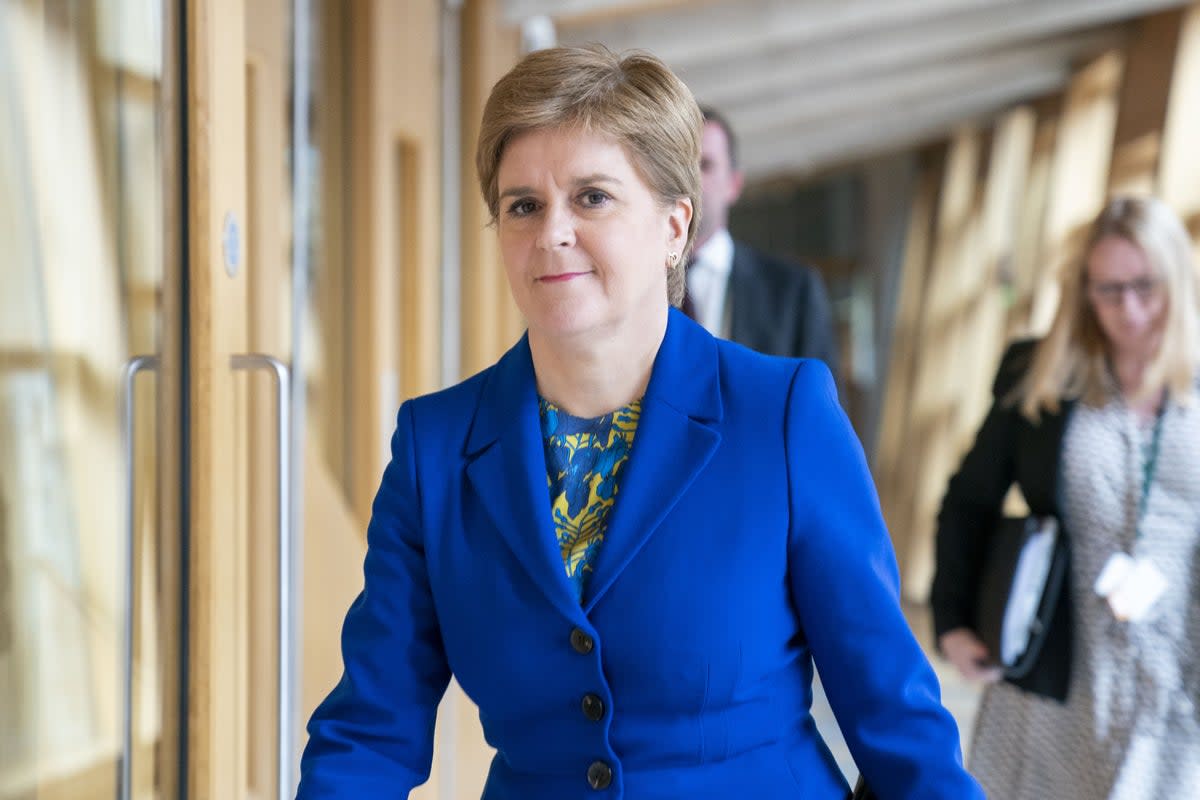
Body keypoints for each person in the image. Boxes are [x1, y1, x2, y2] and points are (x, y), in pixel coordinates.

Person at [297, 44, 980, 799]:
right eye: (523, 205)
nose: (553, 231)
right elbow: (370, 729)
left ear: (674, 227)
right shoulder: (436, 449)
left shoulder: (782, 416)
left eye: (592, 197)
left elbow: (896, 718)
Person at [932, 195, 1200, 798]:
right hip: (1058, 670)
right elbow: (970, 499)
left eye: (1144, 287)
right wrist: (951, 621)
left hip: (1178, 677)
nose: (1127, 309)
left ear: (1177, 281)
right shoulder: (1043, 371)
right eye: (1107, 290)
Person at [687, 105, 838, 373]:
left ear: (734, 184)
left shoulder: (793, 290)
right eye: (681, 165)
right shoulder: (636, 282)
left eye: (705, 165)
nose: (690, 180)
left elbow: (823, 409)